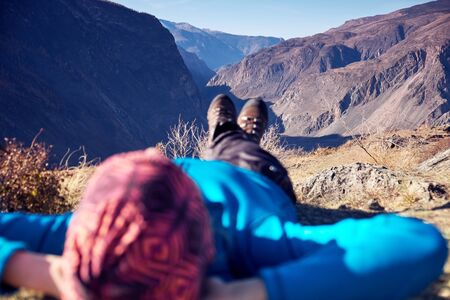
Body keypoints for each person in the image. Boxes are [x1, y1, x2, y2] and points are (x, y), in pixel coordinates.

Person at [0, 94, 448, 299]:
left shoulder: (93, 235)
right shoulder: (249, 239)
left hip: (187, 176)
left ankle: (222, 130)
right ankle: (235, 134)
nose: (154, 153)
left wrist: (47, 273)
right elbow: (416, 243)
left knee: (219, 146)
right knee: (240, 150)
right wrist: (245, 293)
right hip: (255, 177)